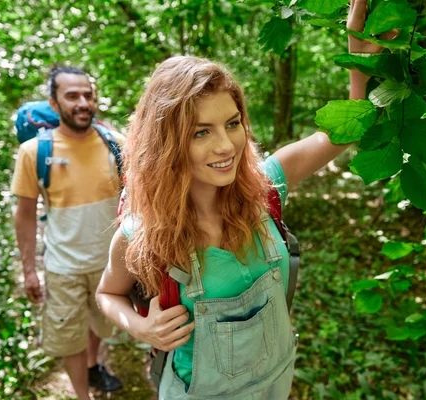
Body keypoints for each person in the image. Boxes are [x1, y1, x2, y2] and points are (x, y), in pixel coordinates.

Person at [96, 1, 395, 398]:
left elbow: (346, 130)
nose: (226, 146)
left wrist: (362, 64)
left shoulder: (265, 187)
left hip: (275, 382)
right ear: (167, 145)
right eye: (201, 132)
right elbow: (107, 293)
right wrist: (139, 326)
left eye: (232, 124)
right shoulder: (143, 233)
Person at [12, 66, 124, 399]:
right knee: (69, 336)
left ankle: (94, 365)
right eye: (72, 96)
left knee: (99, 325)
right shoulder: (34, 152)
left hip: (111, 264)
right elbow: (26, 214)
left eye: (88, 95)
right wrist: (30, 269)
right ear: (54, 102)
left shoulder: (116, 144)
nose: (83, 102)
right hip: (64, 267)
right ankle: (82, 395)